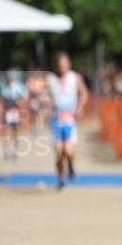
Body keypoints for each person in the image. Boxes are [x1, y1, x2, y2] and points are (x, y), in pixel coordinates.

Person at [47, 52, 89, 190]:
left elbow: (84, 93)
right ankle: (61, 179)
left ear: (69, 64)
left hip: (69, 120)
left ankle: (71, 165)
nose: (62, 67)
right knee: (59, 153)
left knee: (68, 151)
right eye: (60, 64)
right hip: (55, 120)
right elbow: (46, 98)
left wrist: (80, 108)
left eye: (64, 64)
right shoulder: (51, 80)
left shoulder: (75, 78)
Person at [0, 70, 28, 161]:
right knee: (7, 131)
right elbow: (2, 100)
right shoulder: (4, 87)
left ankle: (15, 151)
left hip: (16, 112)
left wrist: (21, 102)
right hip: (8, 112)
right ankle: (8, 150)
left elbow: (25, 97)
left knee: (15, 132)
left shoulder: (19, 86)